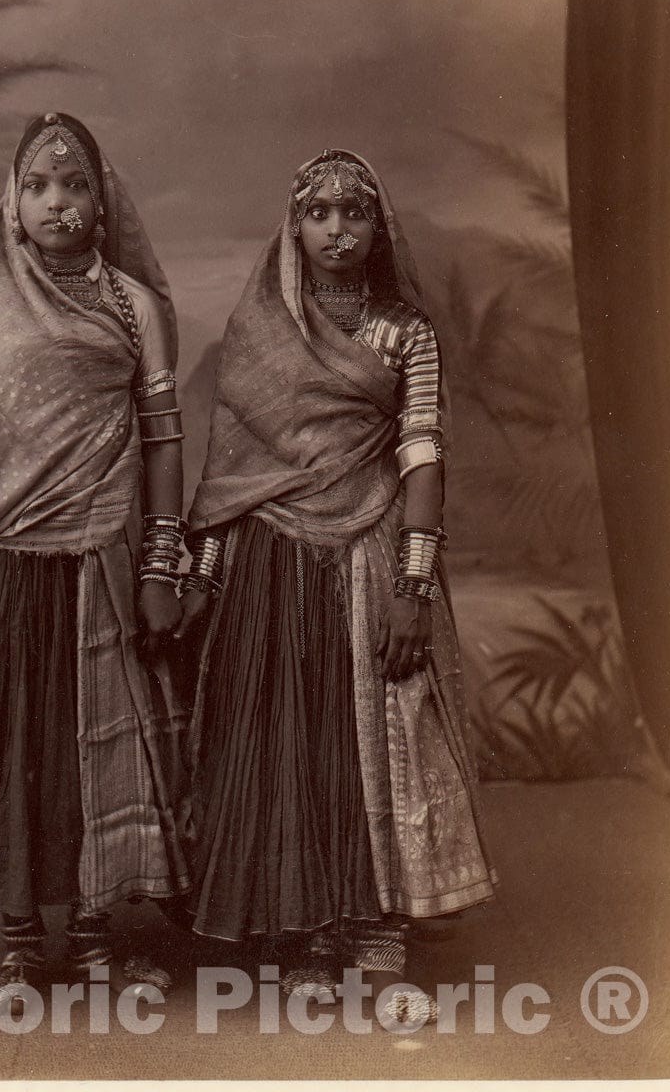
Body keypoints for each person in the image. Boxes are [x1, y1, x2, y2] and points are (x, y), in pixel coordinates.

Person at [176, 149, 497, 1015]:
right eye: (318, 213)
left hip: (371, 549)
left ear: (377, 226)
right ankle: (307, 937)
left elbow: (423, 454)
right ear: (294, 225)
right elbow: (228, 477)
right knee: (290, 744)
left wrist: (414, 587)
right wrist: (199, 578)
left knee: (375, 744)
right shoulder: (259, 331)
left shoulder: (406, 332)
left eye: (353, 212)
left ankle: (376, 938)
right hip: (269, 565)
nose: (336, 229)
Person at [0, 112, 192, 1010]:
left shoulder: (133, 308)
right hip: (4, 569)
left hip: (100, 558)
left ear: (105, 204)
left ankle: (96, 933)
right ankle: (20, 942)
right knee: (15, 750)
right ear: (12, 205)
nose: (57, 203)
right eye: (37, 186)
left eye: (75, 186)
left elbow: (163, 442)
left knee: (100, 751)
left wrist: (161, 564)